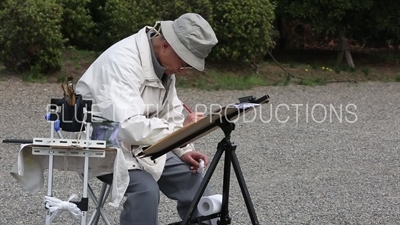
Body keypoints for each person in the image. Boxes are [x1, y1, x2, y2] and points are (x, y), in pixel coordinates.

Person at [76, 13, 218, 225]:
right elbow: (128, 126)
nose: (184, 70)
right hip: (104, 139)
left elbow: (171, 113)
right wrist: (180, 132)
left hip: (143, 144)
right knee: (145, 190)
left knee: (194, 178)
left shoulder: (164, 65)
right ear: (166, 46)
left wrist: (184, 148)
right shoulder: (122, 61)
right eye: (184, 62)